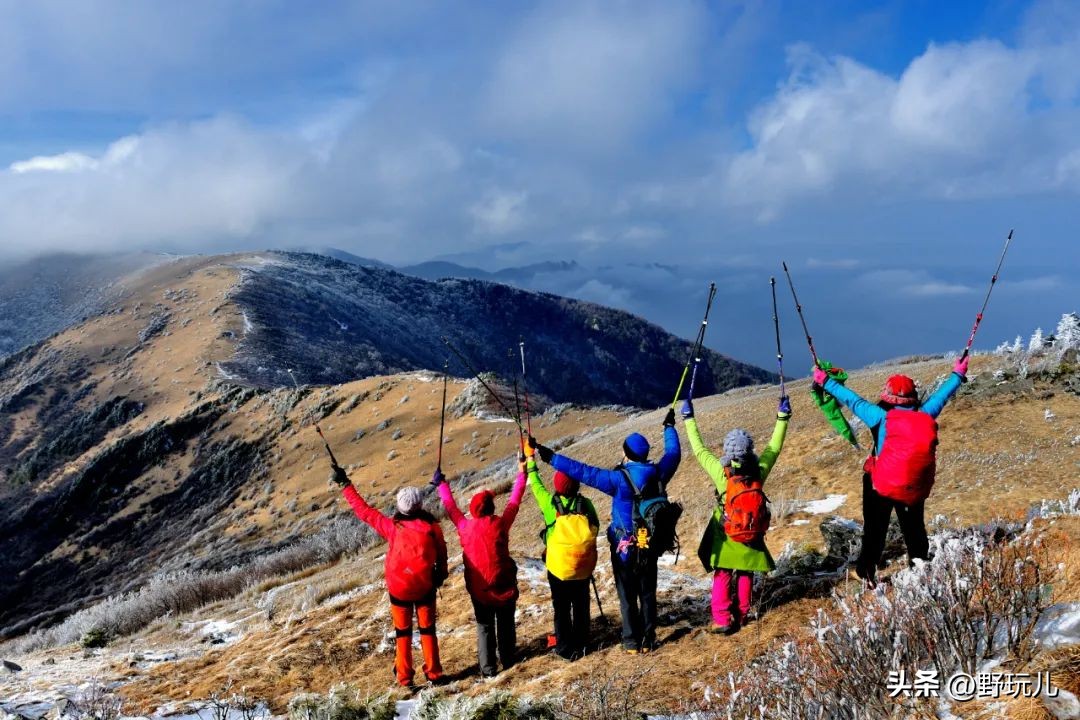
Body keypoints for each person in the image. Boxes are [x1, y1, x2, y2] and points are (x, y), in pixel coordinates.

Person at [530, 409, 681, 654]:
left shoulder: (617, 479)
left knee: (627, 593)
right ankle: (649, 639)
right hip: (650, 543)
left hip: (624, 545)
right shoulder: (659, 474)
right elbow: (674, 453)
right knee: (647, 590)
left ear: (627, 454)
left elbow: (584, 472)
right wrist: (669, 427)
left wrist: (551, 457)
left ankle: (631, 641)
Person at [812, 355, 969, 585]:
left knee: (875, 531)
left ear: (887, 395)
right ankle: (920, 570)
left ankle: (866, 572)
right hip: (912, 486)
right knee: (915, 529)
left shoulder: (879, 416)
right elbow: (941, 397)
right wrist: (958, 373)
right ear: (912, 396)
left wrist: (825, 381)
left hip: (881, 485)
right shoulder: (924, 415)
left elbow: (852, 400)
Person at [682, 396, 791, 634]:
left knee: (723, 573)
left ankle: (722, 619)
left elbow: (699, 449)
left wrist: (688, 418)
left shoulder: (722, 474)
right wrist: (782, 417)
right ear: (750, 451)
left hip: (726, 532)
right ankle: (742, 614)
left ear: (727, 451)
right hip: (750, 531)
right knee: (745, 571)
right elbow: (774, 447)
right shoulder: (758, 472)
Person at [332, 466, 447, 689]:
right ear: (419, 507)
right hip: (425, 586)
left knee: (403, 633)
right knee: (428, 631)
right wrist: (440, 576)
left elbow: (363, 511)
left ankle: (404, 678)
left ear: (400, 508)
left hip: (399, 587)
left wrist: (345, 485)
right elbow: (442, 555)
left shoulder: (393, 527)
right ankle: (434, 674)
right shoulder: (432, 528)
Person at [432, 458, 527, 678]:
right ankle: (509, 660)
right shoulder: (501, 524)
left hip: (479, 590)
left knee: (484, 626)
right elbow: (515, 500)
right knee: (505, 624)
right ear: (492, 508)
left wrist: (442, 485)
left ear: (473, 511)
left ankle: (488, 669)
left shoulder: (465, 527)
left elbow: (451, 508)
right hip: (504, 586)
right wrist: (522, 473)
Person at [528, 454, 600, 660]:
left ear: (557, 485)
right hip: (582, 564)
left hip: (558, 566)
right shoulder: (585, 504)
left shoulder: (550, 504)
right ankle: (582, 642)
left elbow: (536, 484)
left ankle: (565, 647)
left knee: (561, 607)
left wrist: (530, 462)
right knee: (581, 603)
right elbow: (595, 526)